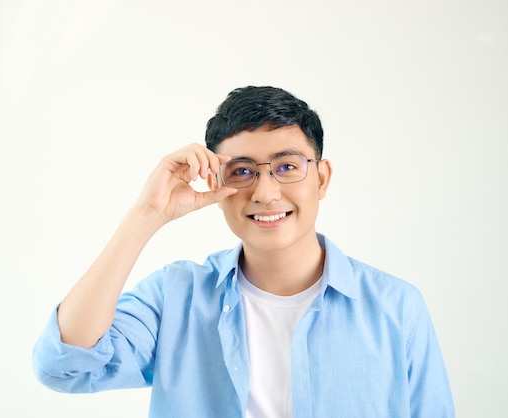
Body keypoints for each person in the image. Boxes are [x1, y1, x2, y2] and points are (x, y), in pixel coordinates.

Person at [33, 86, 455, 417]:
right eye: (242, 172)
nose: (266, 192)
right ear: (217, 181)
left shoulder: (397, 308)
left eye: (288, 167)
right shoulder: (176, 296)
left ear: (321, 179)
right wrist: (147, 214)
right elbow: (64, 365)